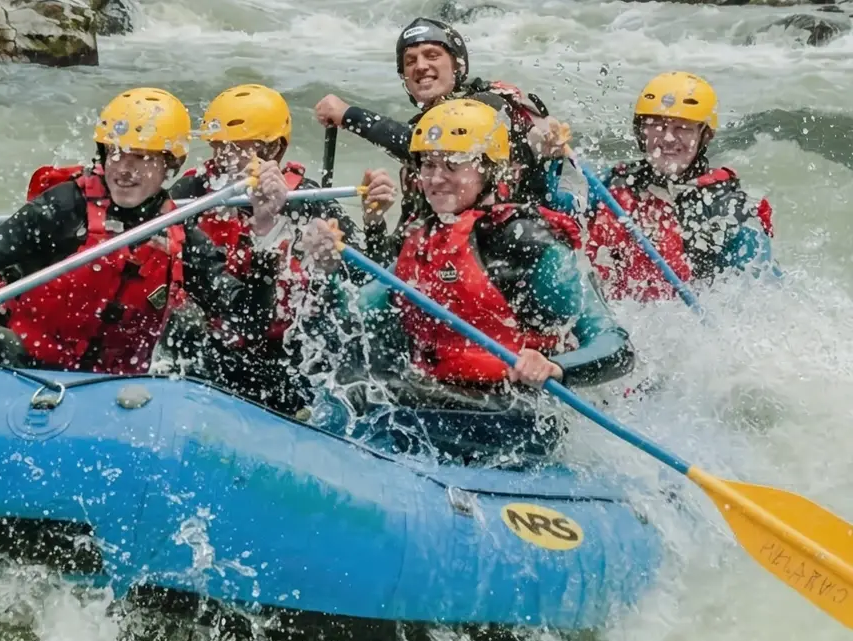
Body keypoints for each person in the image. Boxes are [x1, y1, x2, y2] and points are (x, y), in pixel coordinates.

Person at [312, 99, 635, 462]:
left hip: (514, 416)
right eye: (428, 164)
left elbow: (616, 348)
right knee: (350, 373)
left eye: (452, 164)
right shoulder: (422, 238)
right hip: (440, 400)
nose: (435, 178)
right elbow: (360, 319)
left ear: (489, 170)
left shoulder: (527, 243)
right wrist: (328, 271)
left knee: (363, 396)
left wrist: (556, 367)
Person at [0, 87, 269, 376]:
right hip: (22, 373)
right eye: (116, 154)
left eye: (143, 158)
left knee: (188, 328)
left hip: (107, 395)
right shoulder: (62, 209)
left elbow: (247, 318)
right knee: (0, 343)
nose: (125, 169)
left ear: (170, 165)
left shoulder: (179, 231)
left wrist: (266, 232)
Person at [166, 83, 369, 416]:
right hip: (219, 334)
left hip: (284, 345)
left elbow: (363, 272)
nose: (221, 160)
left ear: (272, 150)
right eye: (218, 148)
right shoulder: (193, 190)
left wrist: (339, 255)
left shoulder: (307, 200)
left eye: (235, 149)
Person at [313, 18, 569, 252]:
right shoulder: (426, 165)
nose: (420, 66)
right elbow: (397, 255)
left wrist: (351, 115)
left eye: (432, 55)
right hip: (451, 259)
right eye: (410, 61)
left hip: (514, 248)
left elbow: (420, 140)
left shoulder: (488, 106)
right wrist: (374, 221)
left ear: (458, 65)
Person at [552, 72, 779, 303]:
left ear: (704, 136)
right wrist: (545, 159)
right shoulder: (611, 184)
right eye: (657, 126)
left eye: (682, 128)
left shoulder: (730, 211)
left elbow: (760, 295)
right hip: (614, 316)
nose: (668, 138)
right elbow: (556, 211)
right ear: (642, 132)